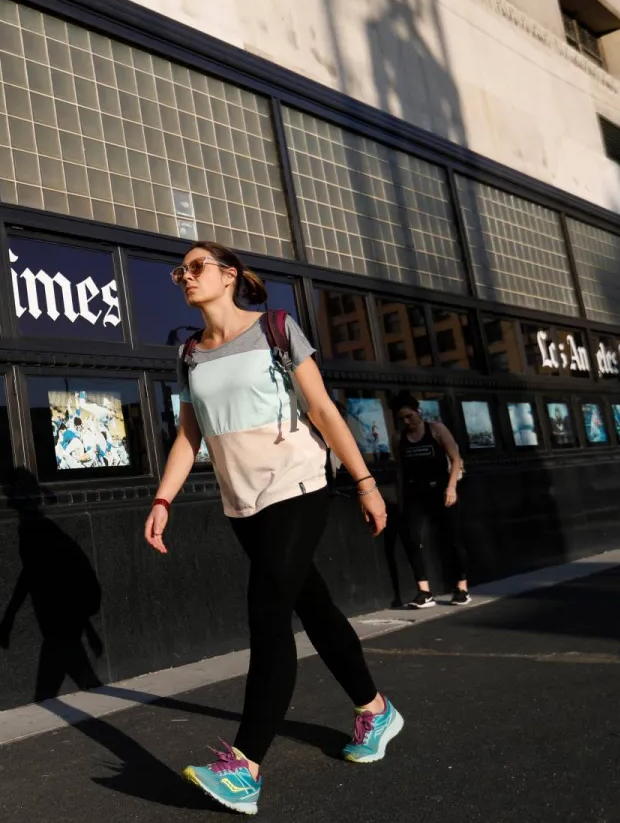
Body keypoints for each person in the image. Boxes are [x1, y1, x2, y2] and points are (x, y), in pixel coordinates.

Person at [145, 241, 401, 816]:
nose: (185, 277)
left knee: (267, 612)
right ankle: (375, 708)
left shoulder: (278, 328)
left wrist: (364, 483)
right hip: (243, 503)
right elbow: (190, 436)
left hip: (299, 485)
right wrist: (164, 498)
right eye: (179, 272)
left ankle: (245, 767)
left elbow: (324, 411)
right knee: (313, 607)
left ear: (230, 275)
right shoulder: (189, 354)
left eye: (196, 267)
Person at [391, 395, 469, 608]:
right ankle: (424, 592)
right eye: (402, 419)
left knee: (453, 538)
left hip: (441, 490)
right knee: (412, 539)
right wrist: (401, 500)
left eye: (410, 416)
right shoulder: (399, 438)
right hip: (415, 493)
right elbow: (400, 471)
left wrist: (451, 488)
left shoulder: (436, 430)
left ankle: (461, 587)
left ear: (418, 412)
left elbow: (456, 459)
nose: (407, 422)